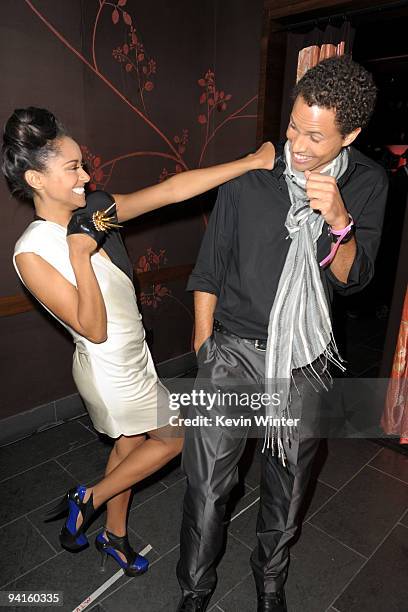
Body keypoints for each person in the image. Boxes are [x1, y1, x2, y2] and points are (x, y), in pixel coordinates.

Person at [1, 106, 275, 576]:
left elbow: (169, 192)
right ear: (36, 178)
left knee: (129, 449)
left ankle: (113, 535)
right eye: (72, 168)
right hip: (110, 371)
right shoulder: (31, 253)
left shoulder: (93, 212)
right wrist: (79, 255)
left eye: (81, 165)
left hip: (136, 360)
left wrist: (250, 162)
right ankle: (87, 499)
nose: (86, 176)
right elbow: (94, 327)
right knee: (175, 440)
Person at [176, 56, 388, 611]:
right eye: (293, 125)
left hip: (305, 361)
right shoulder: (252, 177)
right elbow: (209, 269)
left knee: (288, 489)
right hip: (231, 354)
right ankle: (194, 591)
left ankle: (270, 584)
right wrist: (206, 351)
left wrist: (340, 222)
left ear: (352, 135)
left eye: (315, 136)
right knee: (205, 489)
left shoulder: (366, 182)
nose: (296, 143)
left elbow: (356, 282)